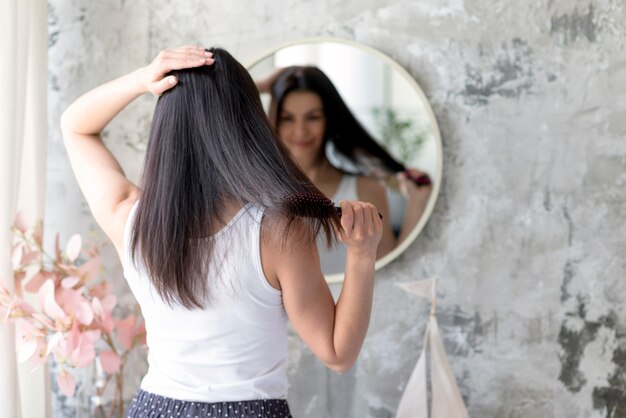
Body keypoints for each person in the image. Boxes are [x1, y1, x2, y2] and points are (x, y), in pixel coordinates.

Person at [61, 46, 382, 418]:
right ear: (249, 121)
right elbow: (338, 354)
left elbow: (75, 126)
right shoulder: (278, 232)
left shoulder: (129, 217)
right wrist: (362, 254)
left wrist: (142, 79)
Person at [256, 66, 432, 273]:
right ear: (273, 121)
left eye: (313, 117)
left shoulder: (366, 190)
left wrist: (416, 205)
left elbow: (389, 270)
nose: (300, 131)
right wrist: (260, 85)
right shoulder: (256, 192)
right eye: (288, 118)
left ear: (329, 120)